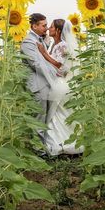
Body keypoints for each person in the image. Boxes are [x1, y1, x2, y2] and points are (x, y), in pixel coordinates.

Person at [35, 19, 84, 156]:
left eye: (51, 27)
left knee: (57, 114)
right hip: (57, 83)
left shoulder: (63, 46)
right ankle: (67, 145)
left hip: (61, 84)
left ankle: (59, 146)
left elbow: (59, 65)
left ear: (57, 31)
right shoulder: (56, 45)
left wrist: (43, 53)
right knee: (60, 113)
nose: (48, 29)